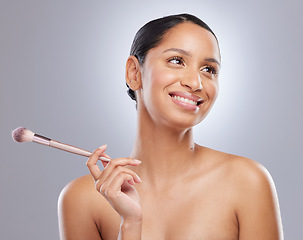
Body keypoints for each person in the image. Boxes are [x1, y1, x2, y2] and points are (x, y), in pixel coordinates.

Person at [58, 13, 283, 240]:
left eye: (209, 69)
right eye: (176, 61)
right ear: (134, 73)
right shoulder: (83, 199)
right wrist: (131, 224)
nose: (195, 83)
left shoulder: (247, 182)